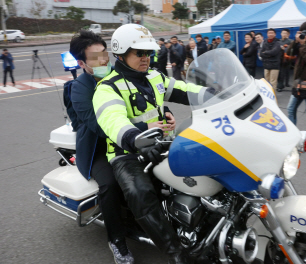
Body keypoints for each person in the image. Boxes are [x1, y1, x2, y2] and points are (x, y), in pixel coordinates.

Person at [93, 24, 204, 264]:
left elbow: (187, 90)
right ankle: (177, 253)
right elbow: (113, 120)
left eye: (149, 53)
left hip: (163, 144)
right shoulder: (107, 88)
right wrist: (135, 139)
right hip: (127, 153)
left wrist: (219, 93)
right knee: (140, 192)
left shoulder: (155, 77)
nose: (146, 58)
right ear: (121, 54)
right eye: (139, 53)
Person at [67, 30, 133, 264]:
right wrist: (136, 130)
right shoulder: (80, 88)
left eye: (105, 54)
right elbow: (97, 126)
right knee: (110, 184)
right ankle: (117, 240)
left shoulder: (118, 73)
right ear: (82, 63)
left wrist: (164, 115)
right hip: (99, 147)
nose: (104, 61)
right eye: (95, 58)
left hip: (128, 137)